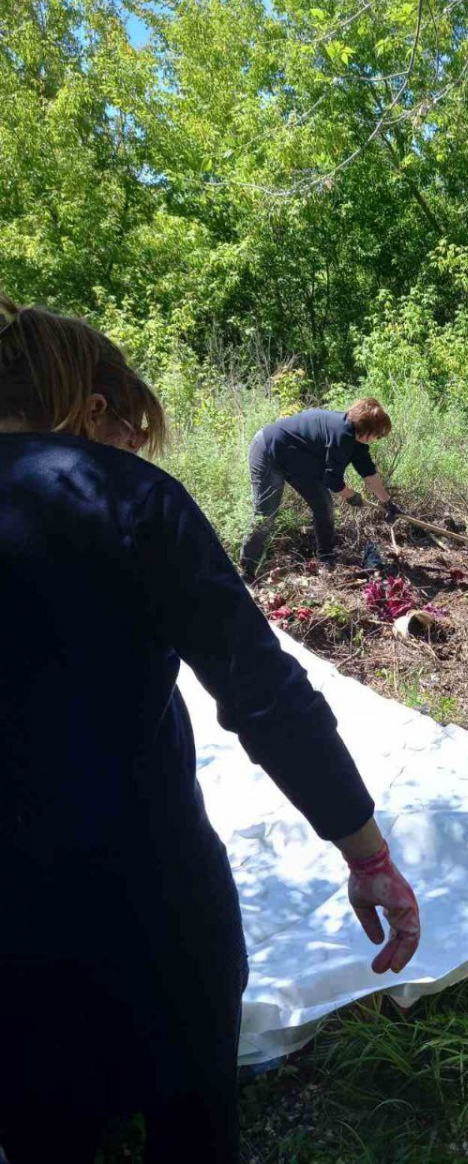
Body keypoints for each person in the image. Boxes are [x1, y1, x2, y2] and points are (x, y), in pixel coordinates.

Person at [0, 296, 420, 1164]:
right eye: (125, 433)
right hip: (151, 902)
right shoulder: (128, 498)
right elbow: (261, 690)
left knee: (43, 1129)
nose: (123, 452)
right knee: (191, 1126)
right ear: (91, 408)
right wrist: (366, 851)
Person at [239, 399, 402, 581]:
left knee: (324, 505)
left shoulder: (358, 441)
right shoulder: (342, 435)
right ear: (367, 429)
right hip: (268, 450)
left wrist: (388, 502)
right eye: (378, 435)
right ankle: (247, 571)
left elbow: (369, 474)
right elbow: (332, 481)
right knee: (266, 514)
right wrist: (351, 496)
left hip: (298, 461)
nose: (378, 439)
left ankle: (326, 557)